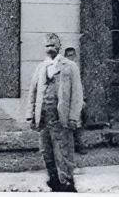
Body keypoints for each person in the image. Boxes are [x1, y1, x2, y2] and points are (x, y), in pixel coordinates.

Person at [27, 33, 84, 193]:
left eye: (53, 46)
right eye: (47, 46)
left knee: (63, 151)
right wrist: (31, 115)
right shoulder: (41, 67)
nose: (50, 49)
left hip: (61, 118)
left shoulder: (70, 66)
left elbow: (77, 94)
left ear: (59, 47)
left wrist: (73, 117)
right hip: (44, 118)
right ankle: (53, 180)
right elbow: (33, 91)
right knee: (46, 151)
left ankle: (66, 183)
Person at [63, 47, 87, 154]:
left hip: (77, 98)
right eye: (68, 55)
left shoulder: (77, 68)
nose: (70, 58)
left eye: (72, 55)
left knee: (79, 120)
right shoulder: (64, 69)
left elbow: (80, 86)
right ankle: (70, 146)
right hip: (68, 99)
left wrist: (82, 100)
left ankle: (80, 145)